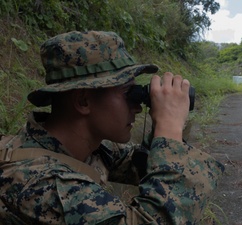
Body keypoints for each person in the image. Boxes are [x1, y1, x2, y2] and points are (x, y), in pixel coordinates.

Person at [0, 30, 224, 224]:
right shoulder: (34, 181)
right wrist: (170, 127)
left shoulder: (87, 147)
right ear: (83, 101)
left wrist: (162, 125)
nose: (138, 107)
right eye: (129, 94)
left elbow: (143, 164)